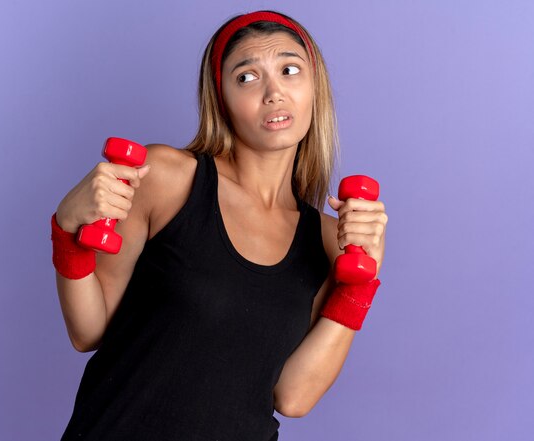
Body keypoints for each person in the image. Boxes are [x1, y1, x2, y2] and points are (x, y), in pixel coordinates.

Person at [51, 10, 387, 441]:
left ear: (314, 87)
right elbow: (88, 331)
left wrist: (361, 282)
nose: (274, 93)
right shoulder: (169, 179)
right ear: (221, 98)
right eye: (247, 77)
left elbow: (294, 397)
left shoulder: (327, 238)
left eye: (290, 70)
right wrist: (67, 230)